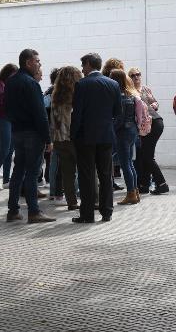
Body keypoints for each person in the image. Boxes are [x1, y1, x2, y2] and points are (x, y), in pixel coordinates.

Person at [5, 49, 55, 224]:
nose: (40, 64)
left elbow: (7, 109)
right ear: (28, 63)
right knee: (32, 174)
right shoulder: (31, 83)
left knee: (18, 170)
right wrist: (48, 139)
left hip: (17, 132)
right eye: (37, 61)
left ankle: (13, 211)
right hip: (33, 134)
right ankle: (34, 211)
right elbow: (40, 113)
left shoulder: (10, 82)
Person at [71, 53, 122, 223]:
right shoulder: (113, 84)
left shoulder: (82, 84)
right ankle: (107, 212)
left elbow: (77, 114)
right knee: (106, 174)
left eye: (83, 65)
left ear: (88, 64)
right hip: (106, 136)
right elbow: (117, 112)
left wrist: (73, 135)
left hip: (85, 136)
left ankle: (87, 214)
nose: (82, 69)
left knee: (87, 176)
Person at [129, 67, 169, 195]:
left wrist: (154, 105)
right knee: (144, 155)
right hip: (147, 125)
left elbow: (154, 102)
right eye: (133, 75)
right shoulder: (130, 91)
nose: (136, 77)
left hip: (152, 123)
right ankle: (144, 185)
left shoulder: (144, 89)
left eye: (138, 74)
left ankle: (162, 184)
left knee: (147, 156)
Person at [110, 69, 146, 205]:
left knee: (125, 164)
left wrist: (111, 129)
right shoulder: (130, 95)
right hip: (132, 131)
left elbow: (118, 119)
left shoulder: (119, 97)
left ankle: (131, 193)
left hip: (123, 133)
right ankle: (135, 192)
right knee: (130, 163)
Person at [51, 66, 83, 210]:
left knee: (67, 173)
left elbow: (52, 120)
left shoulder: (56, 96)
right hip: (74, 139)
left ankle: (72, 202)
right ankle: (92, 199)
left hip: (59, 139)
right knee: (85, 170)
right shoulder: (77, 95)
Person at [101, 57, 126, 191]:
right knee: (108, 155)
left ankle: (110, 181)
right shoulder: (112, 83)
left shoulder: (104, 80)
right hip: (111, 122)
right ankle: (109, 182)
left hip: (107, 121)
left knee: (109, 156)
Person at [45, 68, 63, 200]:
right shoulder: (57, 93)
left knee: (53, 162)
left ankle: (53, 191)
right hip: (57, 131)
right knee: (56, 161)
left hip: (52, 130)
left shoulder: (48, 93)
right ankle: (55, 191)